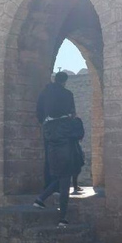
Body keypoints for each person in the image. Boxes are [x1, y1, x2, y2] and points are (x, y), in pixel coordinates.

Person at [33, 72, 78, 226]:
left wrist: (45, 123)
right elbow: (73, 114)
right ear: (64, 81)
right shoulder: (67, 94)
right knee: (65, 175)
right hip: (64, 134)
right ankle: (63, 218)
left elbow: (38, 111)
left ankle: (41, 198)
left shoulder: (44, 93)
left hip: (49, 133)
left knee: (55, 168)